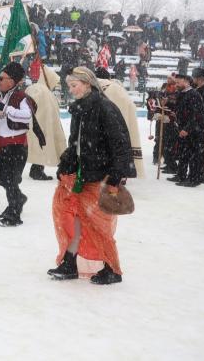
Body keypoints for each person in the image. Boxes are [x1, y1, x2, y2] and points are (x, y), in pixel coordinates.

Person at [49, 67, 136, 285]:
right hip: (83, 175)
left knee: (99, 225)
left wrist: (116, 175)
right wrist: (66, 163)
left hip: (99, 176)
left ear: (87, 84)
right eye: (69, 86)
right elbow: (76, 144)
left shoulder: (105, 108)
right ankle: (70, 261)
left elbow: (120, 143)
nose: (71, 90)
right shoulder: (80, 109)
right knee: (76, 220)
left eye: (74, 85)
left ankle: (112, 268)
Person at [0, 62, 34, 227]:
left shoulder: (20, 97)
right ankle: (18, 199)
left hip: (16, 145)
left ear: (12, 81)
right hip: (0, 144)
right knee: (1, 178)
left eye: (1, 78)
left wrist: (6, 111)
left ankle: (14, 211)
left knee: (11, 180)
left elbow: (27, 116)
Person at [26, 65, 66, 181]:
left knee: (41, 146)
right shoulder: (40, 89)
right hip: (41, 122)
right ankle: (37, 171)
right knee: (43, 146)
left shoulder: (37, 88)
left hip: (40, 122)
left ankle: (36, 169)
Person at [170, 73, 204, 187]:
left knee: (194, 156)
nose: (176, 85)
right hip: (182, 129)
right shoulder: (181, 94)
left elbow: (196, 115)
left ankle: (194, 178)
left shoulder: (194, 94)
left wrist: (187, 129)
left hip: (193, 130)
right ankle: (181, 174)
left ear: (186, 81)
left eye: (178, 82)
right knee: (183, 153)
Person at [192, 67, 204, 183]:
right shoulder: (198, 89)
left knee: (202, 151)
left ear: (199, 79)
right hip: (199, 122)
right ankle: (199, 172)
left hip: (203, 123)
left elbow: (203, 108)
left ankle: (202, 174)